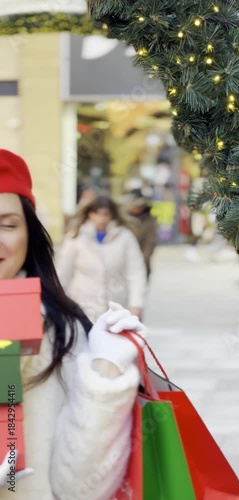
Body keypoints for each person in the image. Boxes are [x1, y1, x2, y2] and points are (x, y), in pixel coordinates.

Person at [0, 149, 147, 499]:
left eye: (7, 224)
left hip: (97, 309)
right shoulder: (78, 239)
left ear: (28, 233)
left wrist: (105, 371)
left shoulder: (55, 331)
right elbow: (64, 270)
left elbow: (80, 489)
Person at [57, 195, 147, 323]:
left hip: (117, 306)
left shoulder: (125, 237)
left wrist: (136, 304)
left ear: (112, 215)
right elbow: (63, 273)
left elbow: (136, 272)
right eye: (96, 213)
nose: (101, 218)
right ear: (89, 214)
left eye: (105, 214)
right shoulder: (76, 238)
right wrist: (58, 303)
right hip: (82, 305)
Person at [126, 190, 157, 279]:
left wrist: (141, 260)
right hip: (125, 264)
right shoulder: (123, 220)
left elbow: (150, 242)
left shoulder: (149, 220)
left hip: (142, 263)